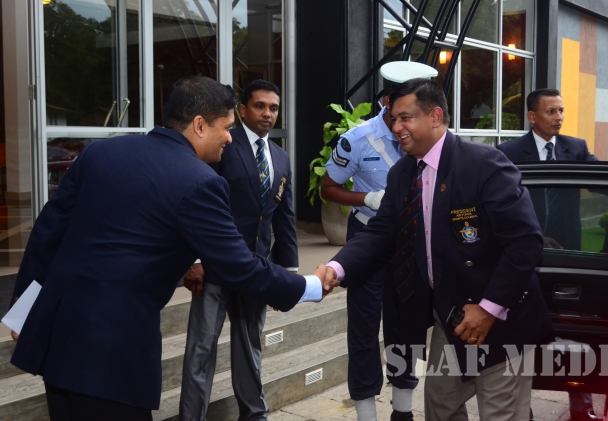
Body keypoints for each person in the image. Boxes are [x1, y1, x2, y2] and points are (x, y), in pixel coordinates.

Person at [8, 76, 330, 421]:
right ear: (200, 125)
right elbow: (238, 265)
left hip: (58, 336)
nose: (229, 137)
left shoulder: (101, 152)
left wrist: (21, 310)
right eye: (226, 128)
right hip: (113, 352)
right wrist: (308, 286)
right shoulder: (200, 182)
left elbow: (48, 231)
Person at [321, 78, 553, 420]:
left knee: (500, 414)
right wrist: (336, 268)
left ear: (435, 117)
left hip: (502, 319)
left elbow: (525, 242)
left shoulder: (485, 164)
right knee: (441, 407)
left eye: (405, 118)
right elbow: (381, 232)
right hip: (452, 318)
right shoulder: (402, 174)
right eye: (393, 118)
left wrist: (488, 309)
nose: (396, 127)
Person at [497, 87, 608, 421]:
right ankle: (522, 408)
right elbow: (500, 204)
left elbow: (602, 183)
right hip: (526, 254)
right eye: (551, 111)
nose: (559, 118)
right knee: (524, 331)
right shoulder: (508, 152)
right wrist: (533, 237)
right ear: (532, 116)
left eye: (561, 111)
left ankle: (582, 405)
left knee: (575, 329)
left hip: (570, 253)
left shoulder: (575, 148)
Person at [321, 61, 437, 421]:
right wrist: (366, 198)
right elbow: (328, 187)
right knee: (364, 327)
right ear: (388, 101)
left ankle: (403, 410)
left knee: (406, 325)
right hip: (368, 238)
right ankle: (366, 413)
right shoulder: (357, 140)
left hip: (410, 242)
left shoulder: (428, 140)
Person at [179, 80, 297, 421]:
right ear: (243, 110)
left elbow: (284, 219)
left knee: (250, 347)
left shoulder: (280, 158)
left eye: (273, 108)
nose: (267, 113)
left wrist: (284, 274)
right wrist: (194, 258)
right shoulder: (222, 144)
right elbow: (197, 202)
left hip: (255, 269)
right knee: (201, 350)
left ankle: (254, 414)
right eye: (260, 106)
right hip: (213, 267)